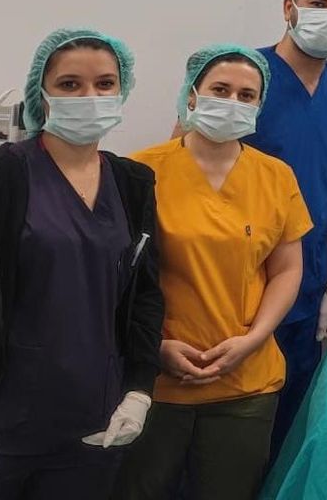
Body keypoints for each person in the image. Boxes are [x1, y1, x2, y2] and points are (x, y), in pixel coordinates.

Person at [0, 28, 163, 499]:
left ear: (122, 90)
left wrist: (139, 388)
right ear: (42, 94)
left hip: (94, 419)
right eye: (70, 84)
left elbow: (144, 294)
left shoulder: (132, 183)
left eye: (104, 84)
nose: (90, 97)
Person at [115, 45, 311, 500]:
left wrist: (253, 339)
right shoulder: (139, 171)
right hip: (154, 382)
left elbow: (286, 269)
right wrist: (155, 347)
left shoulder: (276, 177)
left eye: (247, 95)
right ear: (192, 95)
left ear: (260, 105)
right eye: (220, 90)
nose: (233, 102)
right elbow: (115, 277)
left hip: (246, 383)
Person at [242, 0, 327, 458]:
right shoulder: (243, 74)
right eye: (318, 2)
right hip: (238, 279)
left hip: (308, 281)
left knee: (289, 428)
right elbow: (187, 166)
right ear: (288, 7)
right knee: (229, 433)